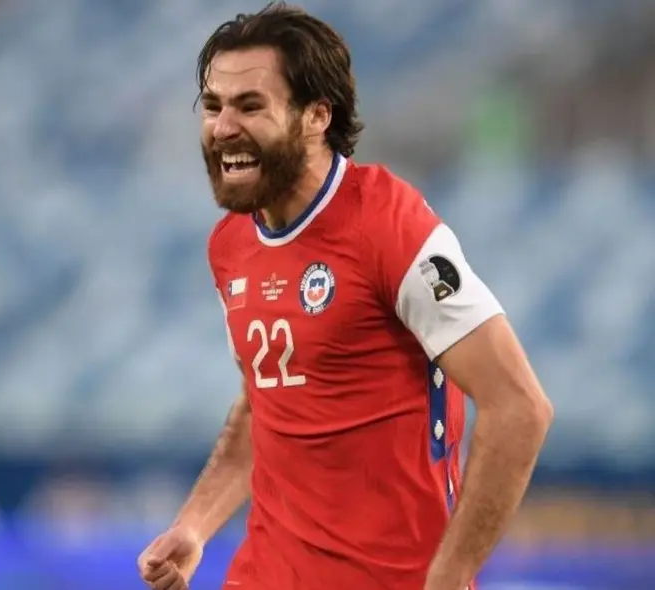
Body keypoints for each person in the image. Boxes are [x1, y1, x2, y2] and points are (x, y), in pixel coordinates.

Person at [136, 3, 554, 590]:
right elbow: (268, 403)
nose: (222, 127)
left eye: (250, 106)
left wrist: (452, 574)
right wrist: (195, 524)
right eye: (213, 106)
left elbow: (520, 408)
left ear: (316, 115)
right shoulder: (230, 243)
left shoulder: (388, 224)